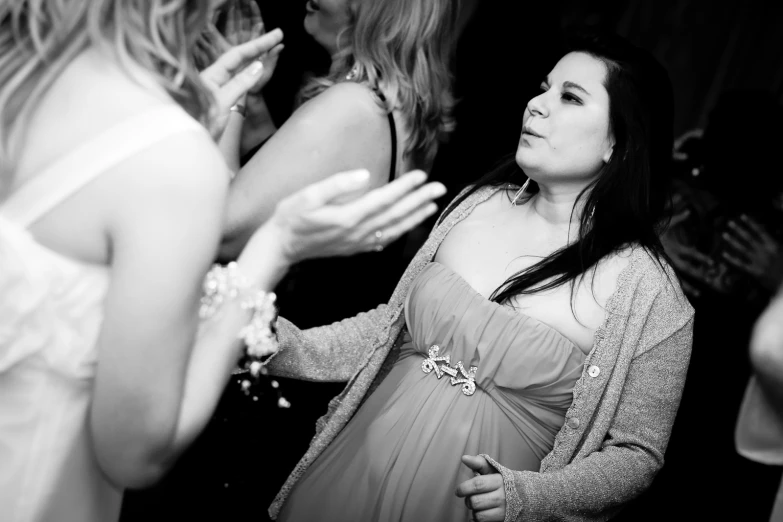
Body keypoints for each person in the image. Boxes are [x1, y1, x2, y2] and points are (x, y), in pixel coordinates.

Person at [0, 2, 445, 521]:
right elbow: (134, 454)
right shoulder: (166, 146)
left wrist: (197, 124)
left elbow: (210, 217)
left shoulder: (25, 83)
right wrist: (272, 244)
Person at [265, 31, 694, 522]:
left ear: (619, 142)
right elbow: (387, 332)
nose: (536, 104)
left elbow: (636, 455)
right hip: (352, 472)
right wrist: (279, 346)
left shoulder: (651, 295)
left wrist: (532, 496)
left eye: (570, 97)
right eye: (543, 87)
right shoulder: (476, 205)